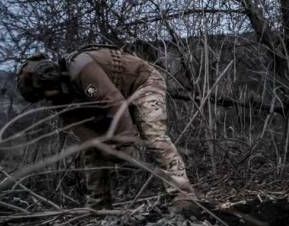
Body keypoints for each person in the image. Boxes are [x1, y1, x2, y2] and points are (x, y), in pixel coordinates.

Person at [16, 44, 198, 211]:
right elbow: (84, 135)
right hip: (112, 100)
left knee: (153, 135)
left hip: (142, 83)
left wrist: (126, 145)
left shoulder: (80, 67)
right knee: (91, 151)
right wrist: (105, 148)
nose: (48, 97)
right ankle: (99, 206)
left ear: (50, 78)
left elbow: (115, 102)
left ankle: (184, 196)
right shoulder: (59, 99)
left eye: (46, 92)